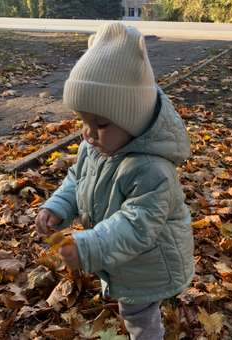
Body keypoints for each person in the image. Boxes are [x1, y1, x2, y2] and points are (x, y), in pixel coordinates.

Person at [35, 22, 194, 340]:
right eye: (83, 120)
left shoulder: (152, 170)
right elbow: (76, 178)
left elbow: (136, 225)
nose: (88, 133)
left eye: (101, 123)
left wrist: (90, 245)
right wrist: (59, 206)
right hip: (124, 255)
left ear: (132, 120)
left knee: (138, 311)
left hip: (151, 262)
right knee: (130, 301)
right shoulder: (95, 147)